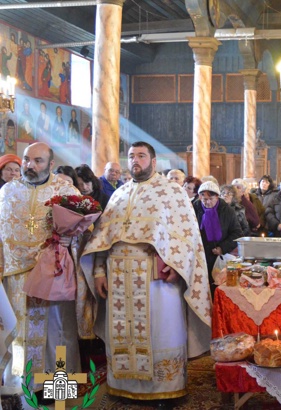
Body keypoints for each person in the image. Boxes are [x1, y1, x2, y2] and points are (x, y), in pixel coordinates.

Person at [80, 142, 210, 405]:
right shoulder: (118, 194)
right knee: (123, 334)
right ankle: (123, 387)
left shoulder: (171, 192)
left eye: (141, 155)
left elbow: (188, 237)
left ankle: (165, 389)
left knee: (160, 332)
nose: (135, 160)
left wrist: (177, 265)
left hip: (156, 277)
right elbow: (102, 239)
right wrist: (98, 273)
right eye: (131, 156)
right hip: (118, 276)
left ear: (153, 160)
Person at [0, 142, 84, 390]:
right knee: (18, 333)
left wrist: (71, 240)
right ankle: (17, 386)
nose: (30, 165)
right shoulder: (7, 192)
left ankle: (55, 387)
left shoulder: (66, 192)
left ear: (50, 164)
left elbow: (85, 231)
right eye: (27, 160)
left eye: (37, 161)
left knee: (56, 332)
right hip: (15, 277)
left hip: (51, 274)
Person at [193, 182, 244, 290]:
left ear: (217, 196)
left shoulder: (227, 210)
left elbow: (237, 233)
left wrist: (222, 248)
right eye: (204, 199)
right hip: (198, 256)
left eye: (210, 198)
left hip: (218, 256)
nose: (207, 202)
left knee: (217, 287)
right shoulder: (194, 209)